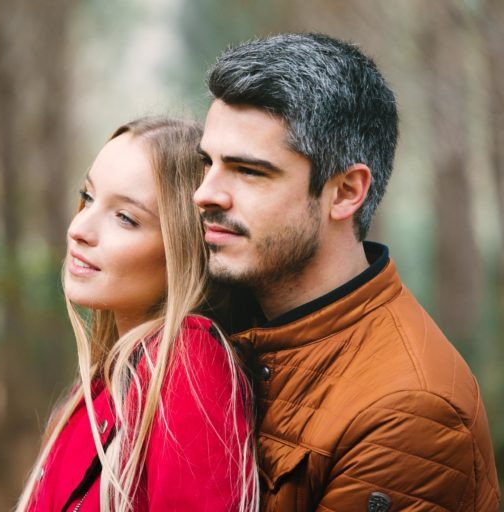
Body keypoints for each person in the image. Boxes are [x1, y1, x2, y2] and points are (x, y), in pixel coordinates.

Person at [194, 32, 501, 511]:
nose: (205, 194)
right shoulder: (224, 318)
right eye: (207, 163)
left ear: (345, 192)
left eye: (249, 171)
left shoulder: (409, 411)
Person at [16, 117, 259, 512]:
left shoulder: (189, 363)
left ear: (183, 248)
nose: (80, 229)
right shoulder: (105, 382)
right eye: (88, 197)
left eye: (125, 218)